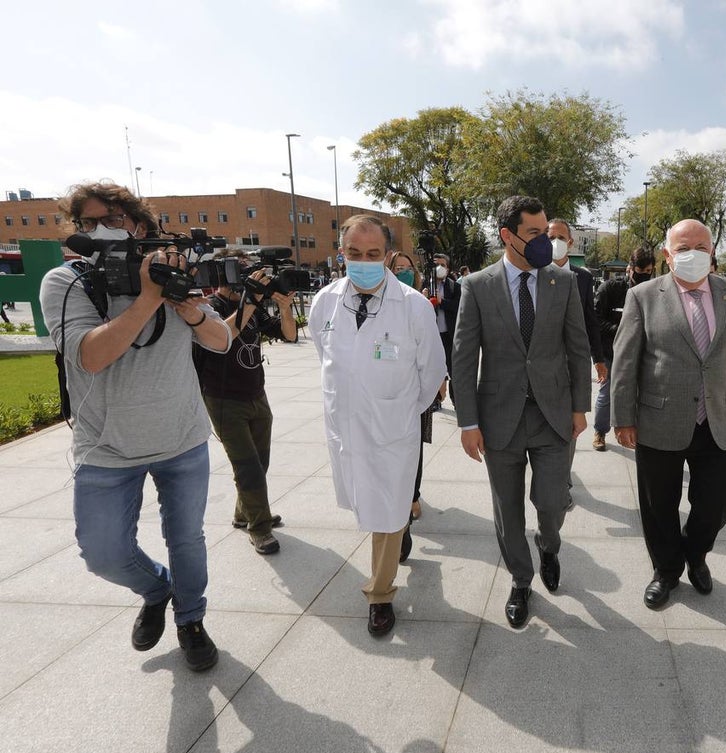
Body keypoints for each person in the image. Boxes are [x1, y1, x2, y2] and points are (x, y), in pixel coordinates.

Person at [40, 181, 232, 671]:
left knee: (186, 540)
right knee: (102, 553)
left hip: (181, 439)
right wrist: (148, 298)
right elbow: (90, 356)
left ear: (140, 226)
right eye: (88, 222)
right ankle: (157, 589)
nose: (101, 229)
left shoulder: (172, 272)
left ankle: (191, 619)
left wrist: (190, 311)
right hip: (106, 449)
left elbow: (221, 341)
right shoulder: (67, 282)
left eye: (113, 219)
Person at [452, 195, 591, 628]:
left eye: (546, 232)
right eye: (534, 233)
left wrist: (581, 407)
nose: (544, 242)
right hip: (500, 418)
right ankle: (520, 578)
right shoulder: (478, 285)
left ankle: (548, 545)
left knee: (552, 502)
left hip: (554, 415)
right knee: (507, 507)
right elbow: (463, 358)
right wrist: (468, 422)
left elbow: (578, 348)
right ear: (507, 236)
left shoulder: (562, 282)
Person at [311, 215, 446, 637]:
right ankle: (397, 533)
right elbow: (325, 355)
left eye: (373, 254)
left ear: (387, 256)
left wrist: (399, 410)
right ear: (341, 254)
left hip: (393, 430)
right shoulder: (324, 302)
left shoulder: (413, 306)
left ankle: (380, 593)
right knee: (371, 505)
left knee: (387, 510)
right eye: (354, 253)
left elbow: (432, 373)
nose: (364, 262)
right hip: (347, 427)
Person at [612, 219, 726, 609]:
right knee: (659, 505)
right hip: (660, 418)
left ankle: (696, 554)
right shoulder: (643, 296)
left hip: (717, 419)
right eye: (683, 248)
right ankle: (667, 570)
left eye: (701, 247)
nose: (693, 255)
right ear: (667, 255)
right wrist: (622, 417)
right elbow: (625, 362)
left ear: (713, 251)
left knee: (719, 502)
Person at [192, 250, 298, 556]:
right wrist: (248, 302)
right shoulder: (211, 307)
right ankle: (259, 528)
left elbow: (289, 335)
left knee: (259, 463)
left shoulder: (252, 305)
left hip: (256, 394)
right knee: (247, 467)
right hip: (224, 399)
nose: (250, 277)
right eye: (240, 271)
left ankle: (244, 513)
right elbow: (223, 334)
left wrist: (284, 308)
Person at [548, 218, 607, 467]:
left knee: (570, 421)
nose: (556, 242)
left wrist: (599, 358)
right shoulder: (534, 273)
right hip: (542, 360)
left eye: (561, 238)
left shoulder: (582, 277)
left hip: (572, 360)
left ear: (570, 243)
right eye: (550, 237)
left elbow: (590, 320)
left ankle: (563, 476)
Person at [591, 247, 655, 451]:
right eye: (640, 270)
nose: (644, 275)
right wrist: (621, 329)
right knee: (608, 392)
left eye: (649, 271)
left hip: (644, 353)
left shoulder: (654, 291)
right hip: (612, 353)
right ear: (630, 268)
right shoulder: (610, 289)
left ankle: (639, 433)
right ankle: (600, 431)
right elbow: (595, 320)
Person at [387, 251, 433, 522]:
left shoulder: (419, 302)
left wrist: (439, 380)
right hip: (385, 387)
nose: (403, 272)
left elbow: (433, 349)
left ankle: (413, 495)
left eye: (408, 268)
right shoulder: (379, 303)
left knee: (414, 445)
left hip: (415, 388)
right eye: (397, 268)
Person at [424, 252, 459, 408]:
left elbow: (459, 306)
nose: (439, 268)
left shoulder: (454, 286)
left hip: (449, 336)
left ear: (448, 268)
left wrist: (442, 302)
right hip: (431, 336)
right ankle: (435, 401)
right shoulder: (425, 285)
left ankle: (456, 401)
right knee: (433, 370)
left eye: (442, 265)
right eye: (436, 264)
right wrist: (423, 298)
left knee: (453, 370)